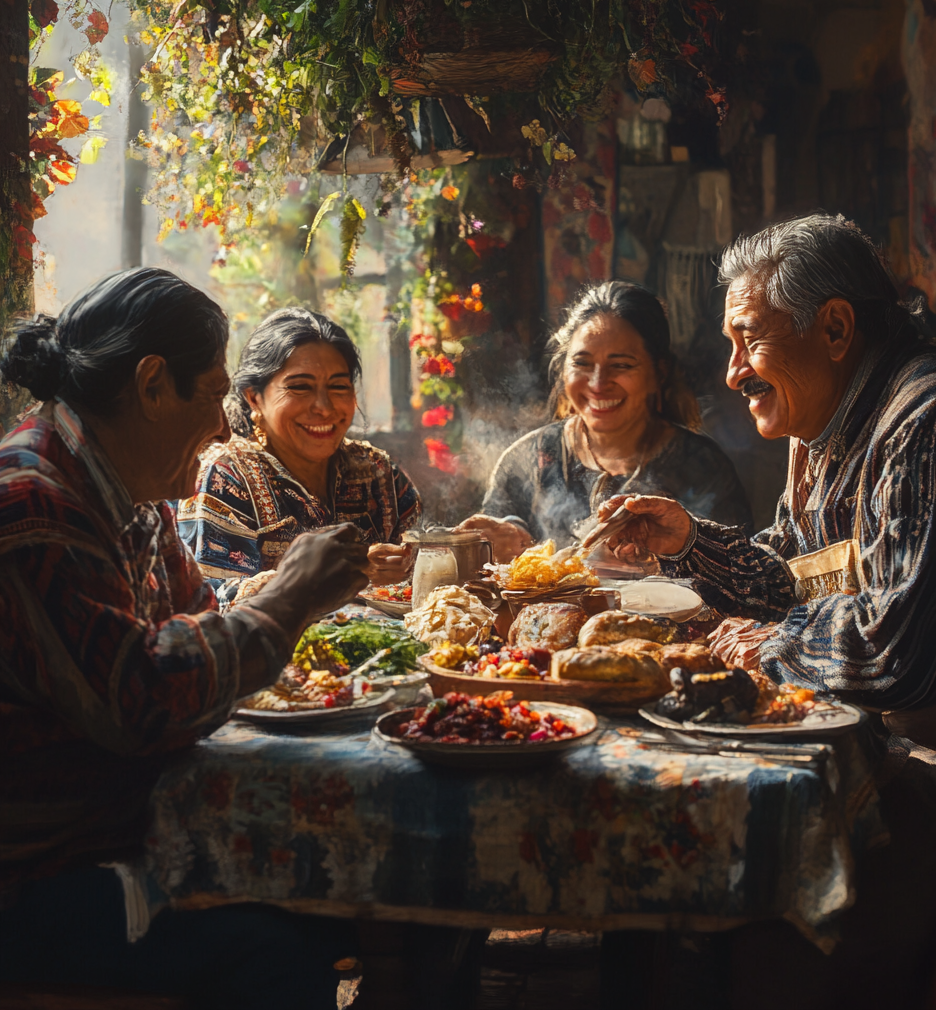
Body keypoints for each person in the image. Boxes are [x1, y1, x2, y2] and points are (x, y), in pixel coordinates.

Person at [585, 213, 936, 1006]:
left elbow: (902, 652)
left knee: (737, 849)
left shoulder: (935, 418)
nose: (731, 373)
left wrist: (770, 646)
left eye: (748, 340)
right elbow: (787, 577)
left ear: (835, 326)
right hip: (900, 747)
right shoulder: (825, 432)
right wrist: (688, 542)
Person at [0, 268, 369, 1008]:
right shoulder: (30, 507)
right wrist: (292, 593)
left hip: (132, 838)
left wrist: (279, 618)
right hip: (38, 881)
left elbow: (200, 626)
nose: (227, 426)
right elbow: (142, 697)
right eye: (213, 394)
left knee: (357, 900)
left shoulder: (135, 494)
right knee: (278, 950)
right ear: (151, 384)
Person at [458, 280, 751, 561]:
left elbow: (742, 577)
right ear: (562, 369)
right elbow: (491, 573)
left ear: (658, 373)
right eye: (582, 364)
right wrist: (508, 543)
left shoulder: (704, 470)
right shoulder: (526, 462)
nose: (598, 384)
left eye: (621, 365)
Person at [177, 307, 421, 589]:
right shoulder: (226, 477)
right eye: (300, 387)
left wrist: (456, 546)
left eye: (338, 387)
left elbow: (426, 563)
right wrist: (344, 573)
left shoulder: (378, 473)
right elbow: (216, 604)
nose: (324, 407)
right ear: (254, 398)